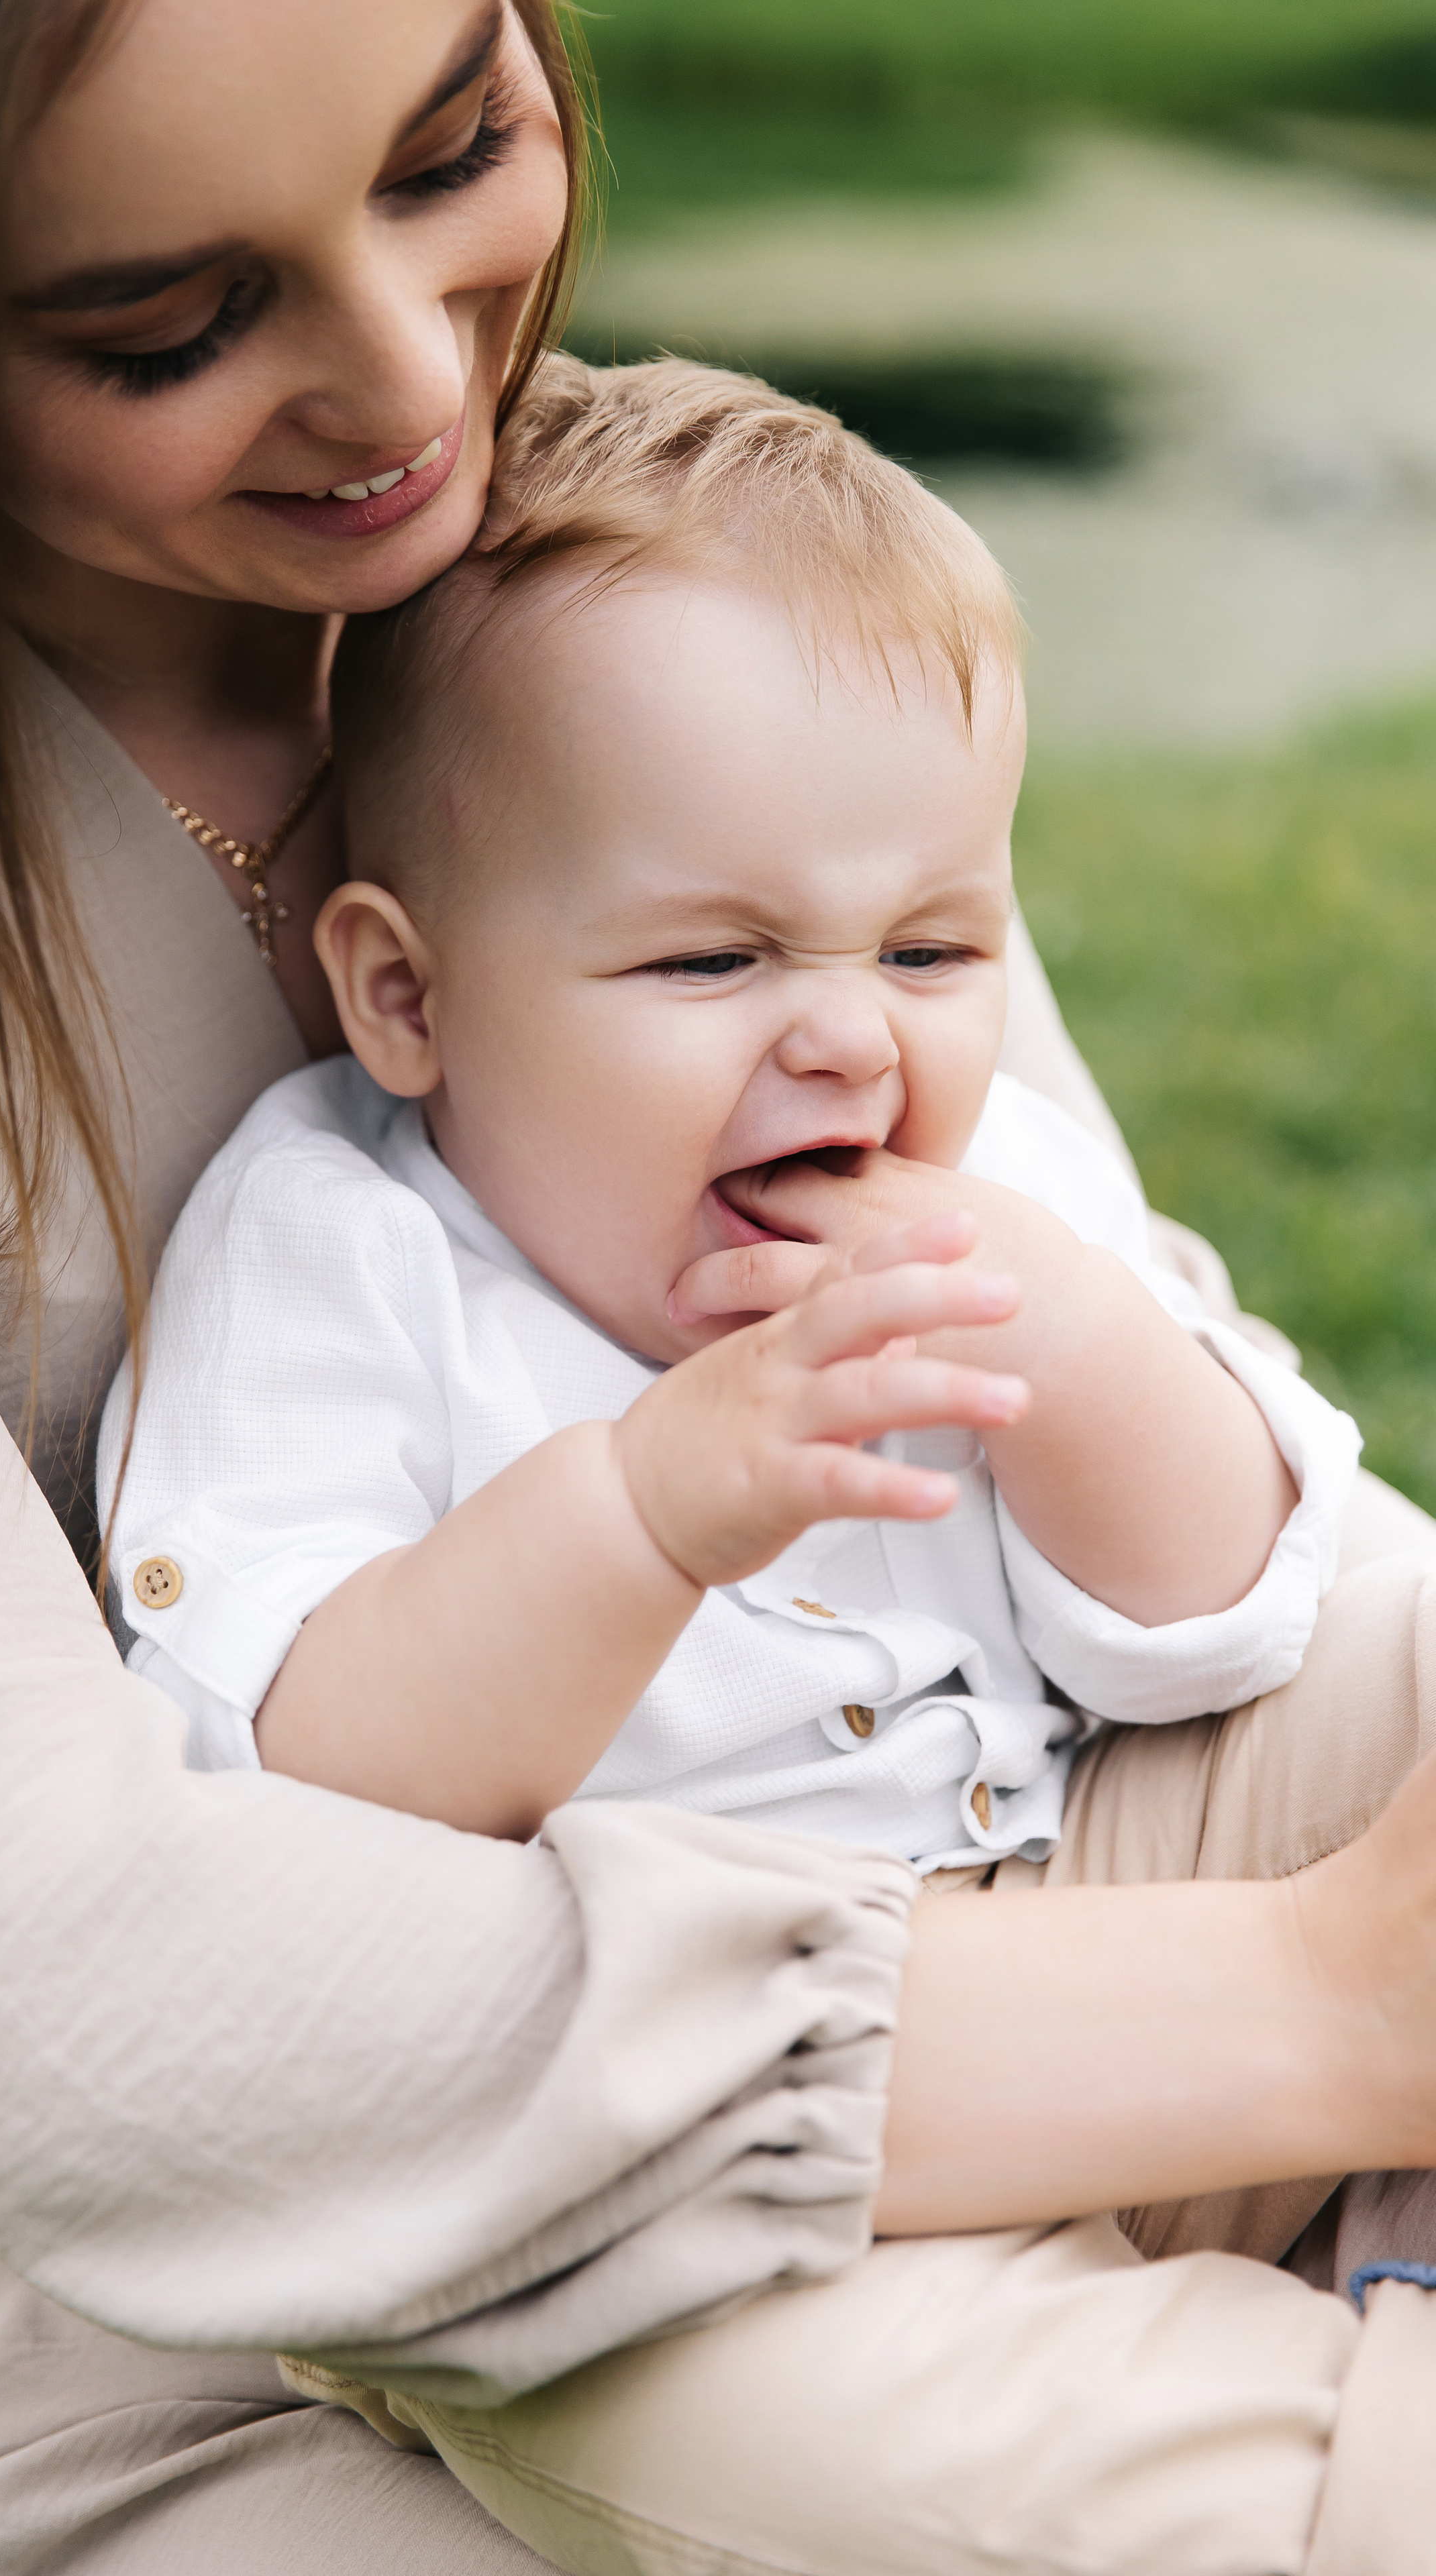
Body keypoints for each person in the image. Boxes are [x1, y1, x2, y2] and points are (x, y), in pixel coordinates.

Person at [0, 0, 1431, 2569]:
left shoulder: (648, 564)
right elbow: (122, 2021)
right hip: (317, 2312)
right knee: (849, 2439)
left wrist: (1134, 1410)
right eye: (170, 324)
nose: (423, 392)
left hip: (1071, 1884)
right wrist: (1328, 2005)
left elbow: (1191, 1442)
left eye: (453, 150)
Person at [102, 357, 1357, 1892]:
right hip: (651, 1982)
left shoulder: (1005, 1204)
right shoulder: (336, 1252)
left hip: (1067, 1885)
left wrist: (1074, 1350)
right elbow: (284, 1774)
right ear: (409, 999)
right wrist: (640, 1518)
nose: (850, 1039)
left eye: (926, 952)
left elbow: (1226, 1627)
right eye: (711, 959)